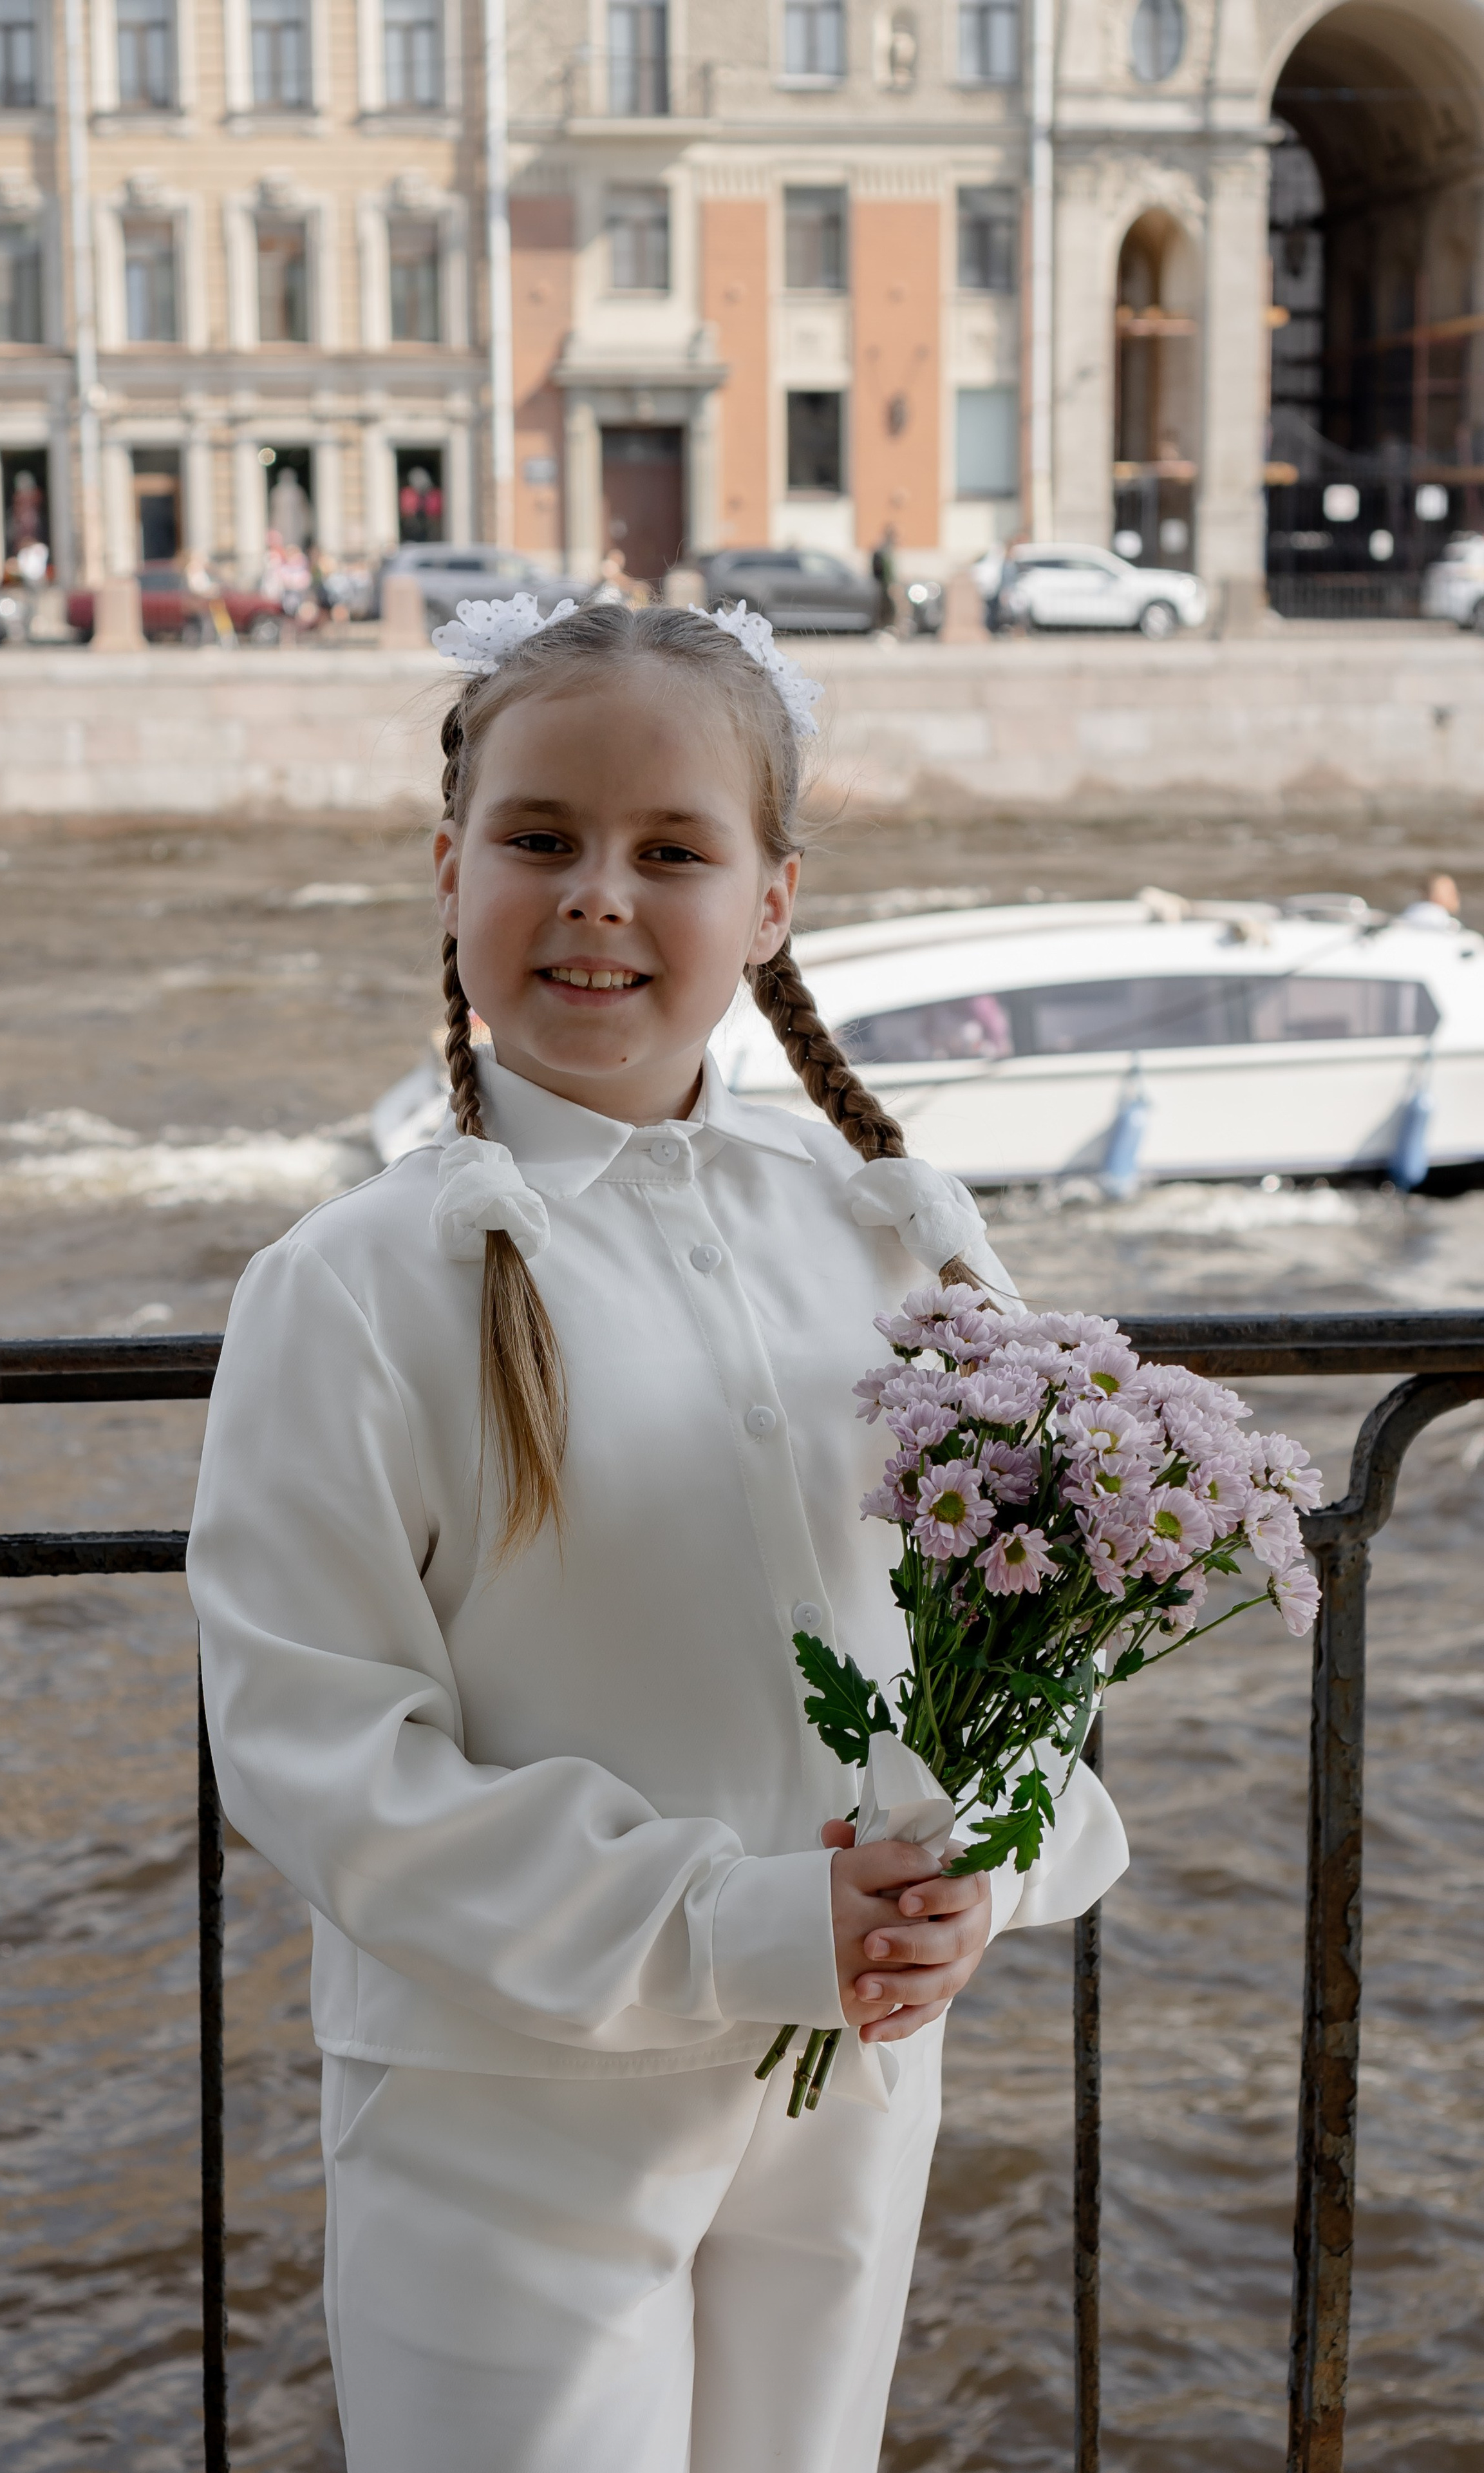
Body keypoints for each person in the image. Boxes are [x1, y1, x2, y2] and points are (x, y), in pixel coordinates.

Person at [187, 598, 1127, 2473]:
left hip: (853, 2077)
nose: (599, 896)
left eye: (671, 852)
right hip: (510, 2104)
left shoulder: (897, 1239)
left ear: (770, 904)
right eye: (542, 839)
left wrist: (984, 1877)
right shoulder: (357, 1289)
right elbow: (320, 1751)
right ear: (452, 871)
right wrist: (737, 1923)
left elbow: (1047, 1619)